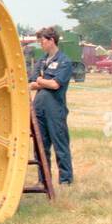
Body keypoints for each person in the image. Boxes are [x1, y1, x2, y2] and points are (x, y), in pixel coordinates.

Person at [29, 26, 74, 186]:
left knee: (60, 144)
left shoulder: (64, 61)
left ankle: (65, 180)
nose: (40, 44)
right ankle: (43, 180)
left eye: (42, 41)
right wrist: (42, 82)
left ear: (51, 40)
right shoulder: (41, 60)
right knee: (40, 146)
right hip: (38, 108)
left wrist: (41, 81)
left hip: (55, 109)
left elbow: (55, 84)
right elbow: (31, 83)